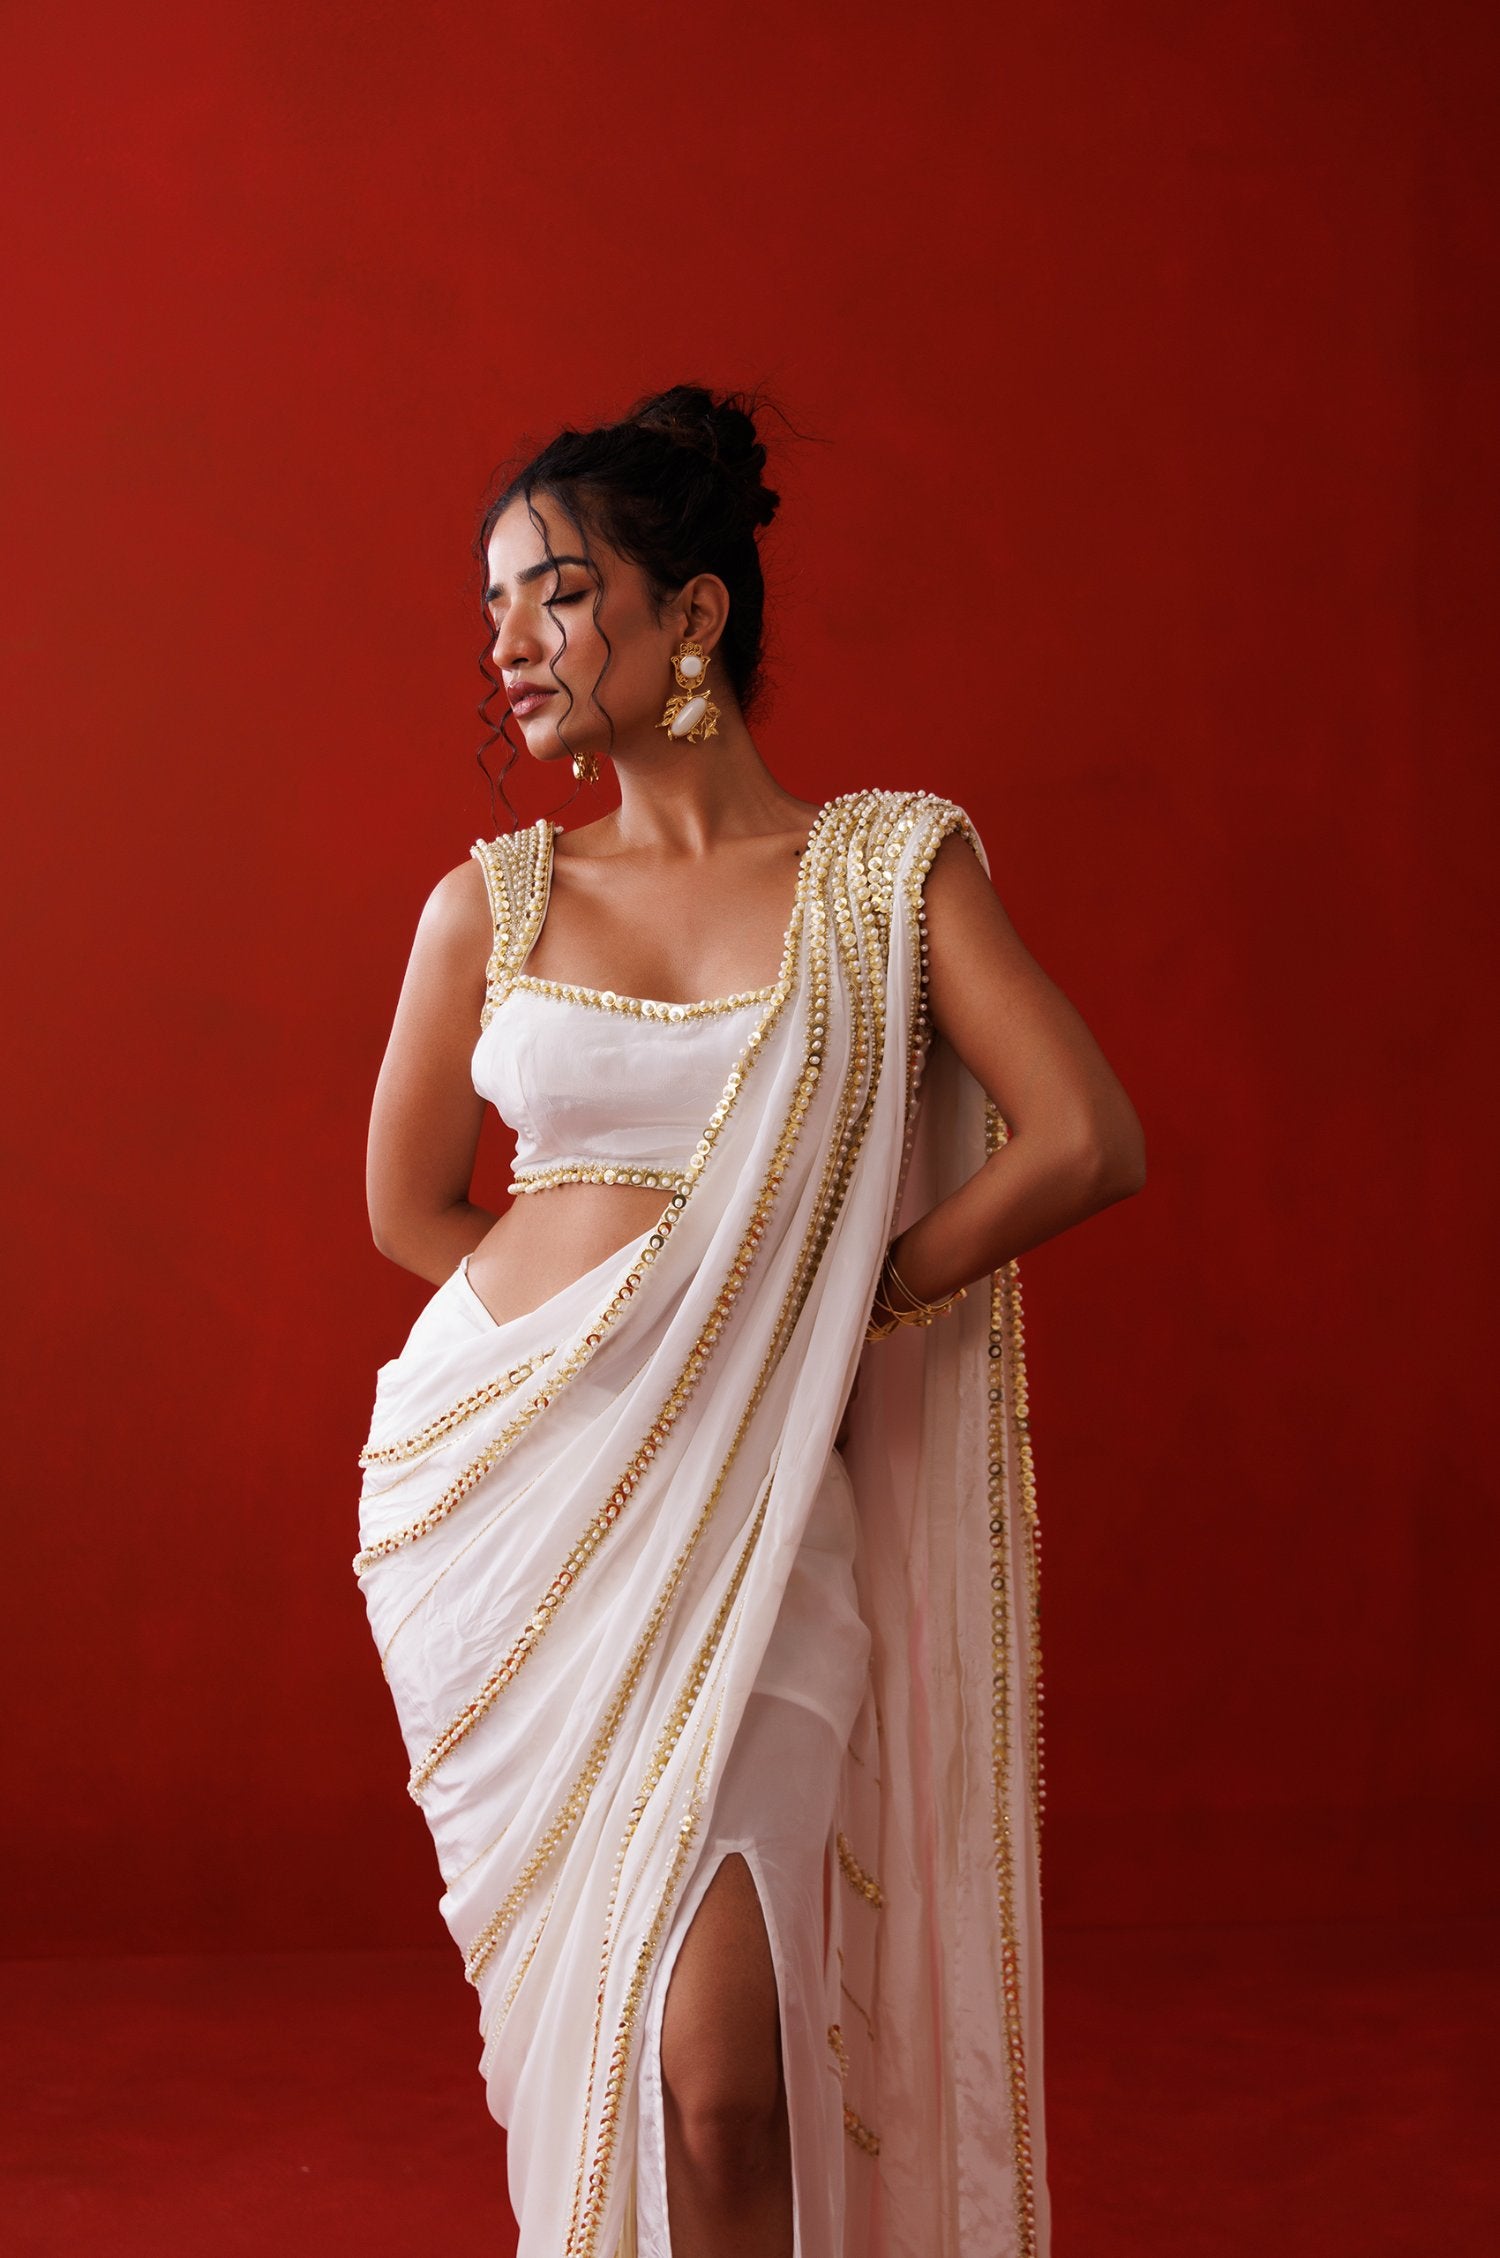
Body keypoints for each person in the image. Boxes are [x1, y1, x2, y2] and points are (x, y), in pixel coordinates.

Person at [355, 382, 1146, 2258]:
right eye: (494, 605)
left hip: (764, 1508)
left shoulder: (882, 875)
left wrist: (808, 1320)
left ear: (692, 610)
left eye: (558, 593)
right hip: (517, 1510)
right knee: (616, 2047)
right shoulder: (493, 903)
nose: (510, 643)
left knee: (724, 2077)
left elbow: (1088, 1136)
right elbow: (408, 1209)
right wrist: (606, 1366)